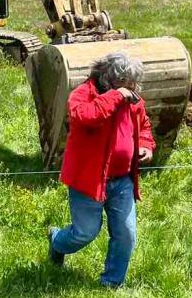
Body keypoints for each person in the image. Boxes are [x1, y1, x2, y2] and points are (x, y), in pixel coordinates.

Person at [46, 52, 155, 289]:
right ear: (110, 80)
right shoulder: (83, 94)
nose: (133, 89)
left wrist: (146, 145)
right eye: (127, 84)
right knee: (84, 233)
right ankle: (57, 241)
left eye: (134, 83)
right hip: (88, 179)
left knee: (126, 235)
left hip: (122, 180)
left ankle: (110, 283)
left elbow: (144, 125)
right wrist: (115, 97)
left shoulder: (132, 100)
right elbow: (86, 117)